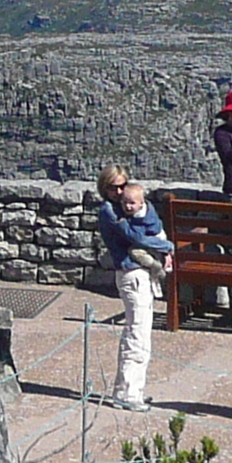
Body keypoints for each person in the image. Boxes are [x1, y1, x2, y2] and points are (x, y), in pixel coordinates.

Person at [94, 168, 173, 412]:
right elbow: (138, 238)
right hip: (131, 275)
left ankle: (134, 389)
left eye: (122, 186)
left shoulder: (125, 208)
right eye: (113, 187)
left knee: (142, 334)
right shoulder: (109, 212)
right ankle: (126, 394)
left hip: (141, 275)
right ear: (104, 188)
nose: (119, 192)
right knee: (135, 334)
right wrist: (168, 246)